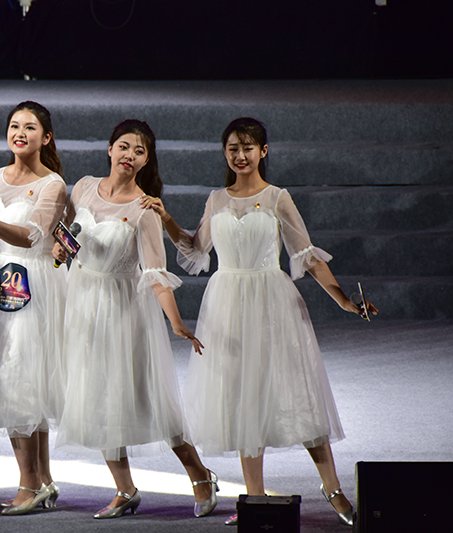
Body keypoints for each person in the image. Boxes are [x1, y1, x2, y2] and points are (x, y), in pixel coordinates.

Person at [142, 117, 378, 526]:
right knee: (241, 397)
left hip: (272, 302)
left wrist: (344, 300)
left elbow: (306, 255)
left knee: (296, 392)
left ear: (263, 151)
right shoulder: (216, 199)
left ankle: (333, 487)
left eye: (248, 148)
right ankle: (253, 498)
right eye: (233, 148)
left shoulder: (277, 198)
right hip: (227, 304)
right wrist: (166, 218)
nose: (240, 155)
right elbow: (195, 249)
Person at [53, 119, 219, 520]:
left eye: (139, 151)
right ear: (110, 149)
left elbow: (156, 274)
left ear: (146, 160)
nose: (129, 155)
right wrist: (60, 250)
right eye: (124, 146)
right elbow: (68, 232)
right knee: (95, 396)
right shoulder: (83, 187)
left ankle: (200, 475)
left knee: (146, 395)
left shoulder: (145, 209)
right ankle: (125, 489)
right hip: (81, 301)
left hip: (122, 310)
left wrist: (176, 322)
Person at [0, 101, 68, 515]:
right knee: (14, 375)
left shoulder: (52, 185)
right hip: (0, 280)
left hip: (32, 283)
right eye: (14, 126)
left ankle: (28, 484)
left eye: (29, 127)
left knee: (20, 378)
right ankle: (41, 479)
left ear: (46, 137)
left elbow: (32, 235)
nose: (19, 133)